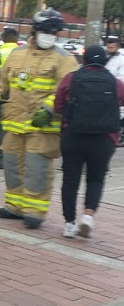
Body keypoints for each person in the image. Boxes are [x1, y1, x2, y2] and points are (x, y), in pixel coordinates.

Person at [0, 8, 79, 229]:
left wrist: (49, 108)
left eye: (54, 31)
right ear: (35, 30)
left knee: (37, 169)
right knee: (12, 165)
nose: (50, 35)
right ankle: (14, 206)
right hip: (14, 122)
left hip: (43, 127)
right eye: (45, 30)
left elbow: (68, 90)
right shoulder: (17, 55)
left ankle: (35, 211)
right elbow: (2, 84)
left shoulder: (64, 59)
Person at [55, 46, 124, 239]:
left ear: (83, 60)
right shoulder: (114, 82)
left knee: (70, 181)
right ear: (104, 61)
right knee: (95, 179)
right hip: (103, 139)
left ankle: (69, 223)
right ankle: (88, 215)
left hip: (73, 135)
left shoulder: (71, 78)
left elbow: (58, 106)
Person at [0, 27, 20, 169]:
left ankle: (0, 158)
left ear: (3, 37)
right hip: (19, 96)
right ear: (16, 38)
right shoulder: (23, 53)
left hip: (1, 94)